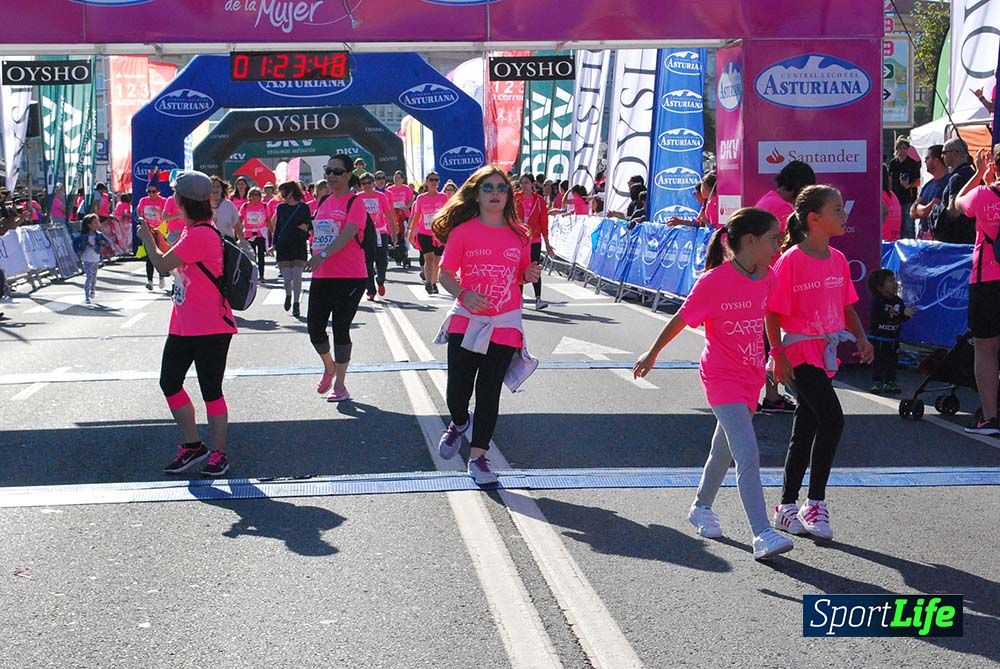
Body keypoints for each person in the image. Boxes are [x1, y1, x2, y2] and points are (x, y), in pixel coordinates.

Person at [634, 207, 794, 560]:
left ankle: (700, 507)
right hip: (721, 378)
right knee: (747, 452)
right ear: (749, 241)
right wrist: (652, 353)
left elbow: (771, 314)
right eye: (773, 238)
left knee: (723, 450)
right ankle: (762, 533)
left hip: (750, 375)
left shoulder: (768, 275)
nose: (779, 244)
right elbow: (681, 318)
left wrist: (779, 352)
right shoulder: (714, 282)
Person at [767, 185, 874, 540]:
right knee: (833, 418)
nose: (844, 216)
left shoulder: (838, 259)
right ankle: (815, 503)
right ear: (815, 219)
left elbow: (846, 306)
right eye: (837, 210)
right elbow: (773, 312)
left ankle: (785, 506)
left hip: (824, 352)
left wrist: (860, 337)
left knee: (807, 426)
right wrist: (777, 356)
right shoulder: (791, 261)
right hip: (798, 352)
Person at [432, 165, 541, 486]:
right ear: (476, 195)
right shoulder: (462, 232)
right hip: (467, 319)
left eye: (502, 188)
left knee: (489, 391)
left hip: (505, 321)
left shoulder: (520, 234)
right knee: (457, 391)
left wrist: (528, 275)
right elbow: (445, 275)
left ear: (509, 196)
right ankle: (459, 422)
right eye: (488, 188)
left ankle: (478, 458)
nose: (496, 194)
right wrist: (464, 293)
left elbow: (520, 274)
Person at [135, 170, 237, 477]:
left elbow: (164, 264)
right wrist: (157, 238)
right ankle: (193, 446)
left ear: (181, 200)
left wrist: (145, 240)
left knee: (211, 390)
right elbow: (174, 257)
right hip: (183, 322)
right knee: (170, 382)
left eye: (174, 195)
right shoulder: (193, 232)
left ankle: (219, 453)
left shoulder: (202, 234)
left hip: (211, 325)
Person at [305, 154, 370, 403]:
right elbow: (320, 233)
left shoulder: (356, 203)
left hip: (351, 276)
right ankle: (329, 366)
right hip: (323, 275)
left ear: (348, 175)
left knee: (341, 327)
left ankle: (340, 385)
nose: (331, 176)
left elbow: (348, 234)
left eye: (337, 172)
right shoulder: (323, 202)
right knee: (315, 329)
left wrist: (322, 254)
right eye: (328, 171)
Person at [754, 160, 816, 414]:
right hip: (774, 281)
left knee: (767, 341)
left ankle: (772, 395)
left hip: (766, 278)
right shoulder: (780, 209)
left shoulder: (768, 201)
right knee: (771, 341)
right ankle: (773, 395)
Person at [957, 146, 1000, 434]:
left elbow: (956, 203)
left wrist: (977, 175)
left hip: (987, 280)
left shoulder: (983, 194)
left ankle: (990, 416)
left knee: (985, 348)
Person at [867, 269, 915, 395]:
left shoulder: (898, 301)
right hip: (878, 338)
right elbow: (882, 316)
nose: (894, 283)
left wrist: (907, 315)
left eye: (894, 280)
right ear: (879, 286)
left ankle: (890, 381)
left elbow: (900, 318)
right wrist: (900, 314)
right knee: (878, 361)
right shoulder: (878, 301)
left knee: (891, 361)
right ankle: (877, 382)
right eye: (890, 281)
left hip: (893, 339)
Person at [273, 180, 312, 317]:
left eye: (284, 191)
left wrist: (306, 228)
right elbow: (278, 227)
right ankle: (288, 294)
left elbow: (310, 226)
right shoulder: (281, 208)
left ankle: (296, 304)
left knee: (297, 276)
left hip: (299, 244)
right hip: (283, 245)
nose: (282, 194)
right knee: (287, 277)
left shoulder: (304, 207)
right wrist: (274, 244)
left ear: (291, 191)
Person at [356, 172, 396, 301]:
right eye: (364, 183)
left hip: (380, 232)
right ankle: (370, 291)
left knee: (382, 260)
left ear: (373, 183)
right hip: (365, 234)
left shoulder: (381, 196)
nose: (367, 186)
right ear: (360, 185)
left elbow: (389, 215)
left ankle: (380, 280)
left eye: (369, 183)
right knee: (367, 262)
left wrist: (394, 233)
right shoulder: (358, 198)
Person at [515, 173, 553, 310]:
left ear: (532, 184)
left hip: (534, 239)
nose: (523, 185)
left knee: (534, 268)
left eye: (526, 182)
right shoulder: (515, 198)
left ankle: (538, 299)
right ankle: (519, 299)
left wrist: (548, 244)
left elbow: (544, 222)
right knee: (519, 268)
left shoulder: (540, 201)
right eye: (521, 183)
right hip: (518, 239)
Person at [410, 172, 449, 294]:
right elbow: (416, 217)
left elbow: (447, 215)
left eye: (436, 180)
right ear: (426, 182)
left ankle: (433, 283)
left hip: (438, 233)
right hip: (424, 233)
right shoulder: (421, 198)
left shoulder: (443, 197)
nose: (434, 182)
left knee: (437, 260)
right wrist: (411, 233)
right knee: (429, 258)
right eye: (431, 180)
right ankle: (428, 282)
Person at [933, 137, 976, 244]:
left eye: (944, 152)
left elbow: (953, 211)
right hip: (972, 235)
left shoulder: (957, 177)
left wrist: (937, 212)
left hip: (956, 238)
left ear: (954, 153)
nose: (942, 156)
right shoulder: (974, 175)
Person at [910, 145, 949, 240]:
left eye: (927, 158)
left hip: (936, 242)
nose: (924, 161)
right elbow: (912, 212)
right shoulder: (928, 185)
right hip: (922, 241)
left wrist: (918, 207)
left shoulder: (947, 182)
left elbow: (928, 211)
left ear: (936, 161)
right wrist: (920, 208)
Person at [136, 183, 168, 291]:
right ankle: (149, 281)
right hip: (148, 231)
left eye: (153, 191)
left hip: (160, 231)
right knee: (149, 256)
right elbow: (139, 212)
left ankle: (161, 276)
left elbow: (166, 215)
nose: (151, 194)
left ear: (158, 192)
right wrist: (141, 220)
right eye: (149, 191)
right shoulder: (144, 201)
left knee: (160, 255)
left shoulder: (163, 201)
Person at [73, 213, 110, 305]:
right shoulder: (83, 236)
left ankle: (92, 289)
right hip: (86, 258)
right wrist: (78, 251)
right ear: (88, 225)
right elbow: (74, 242)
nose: (97, 224)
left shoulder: (99, 235)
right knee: (89, 276)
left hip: (96, 258)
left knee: (93, 277)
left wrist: (102, 243)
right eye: (95, 223)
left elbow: (107, 243)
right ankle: (86, 297)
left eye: (98, 222)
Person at [888, 137, 921, 239]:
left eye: (905, 148)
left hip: (908, 198)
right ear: (896, 149)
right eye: (900, 148)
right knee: (899, 225)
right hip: (896, 199)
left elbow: (918, 181)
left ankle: (911, 245)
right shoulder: (893, 163)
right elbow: (889, 179)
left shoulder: (913, 163)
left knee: (909, 225)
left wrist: (909, 185)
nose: (902, 150)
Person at [240, 187, 269, 281]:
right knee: (251, 255)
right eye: (253, 195)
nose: (255, 198)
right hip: (249, 234)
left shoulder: (264, 206)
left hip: (261, 234)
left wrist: (271, 232)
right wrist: (238, 233)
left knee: (261, 256)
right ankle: (251, 275)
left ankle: (261, 275)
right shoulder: (245, 206)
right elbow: (240, 220)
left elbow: (268, 219)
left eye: (257, 195)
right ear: (250, 196)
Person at [387, 171, 414, 268]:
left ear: (402, 179)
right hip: (393, 215)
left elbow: (411, 200)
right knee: (393, 234)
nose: (396, 179)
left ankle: (404, 252)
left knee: (403, 234)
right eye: (395, 177)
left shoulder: (406, 189)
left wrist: (406, 206)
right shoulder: (389, 189)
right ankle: (395, 252)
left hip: (404, 215)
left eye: (398, 177)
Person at [881, 164, 903, 242]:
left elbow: (884, 210)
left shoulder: (878, 195)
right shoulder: (893, 196)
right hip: (894, 241)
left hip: (883, 243)